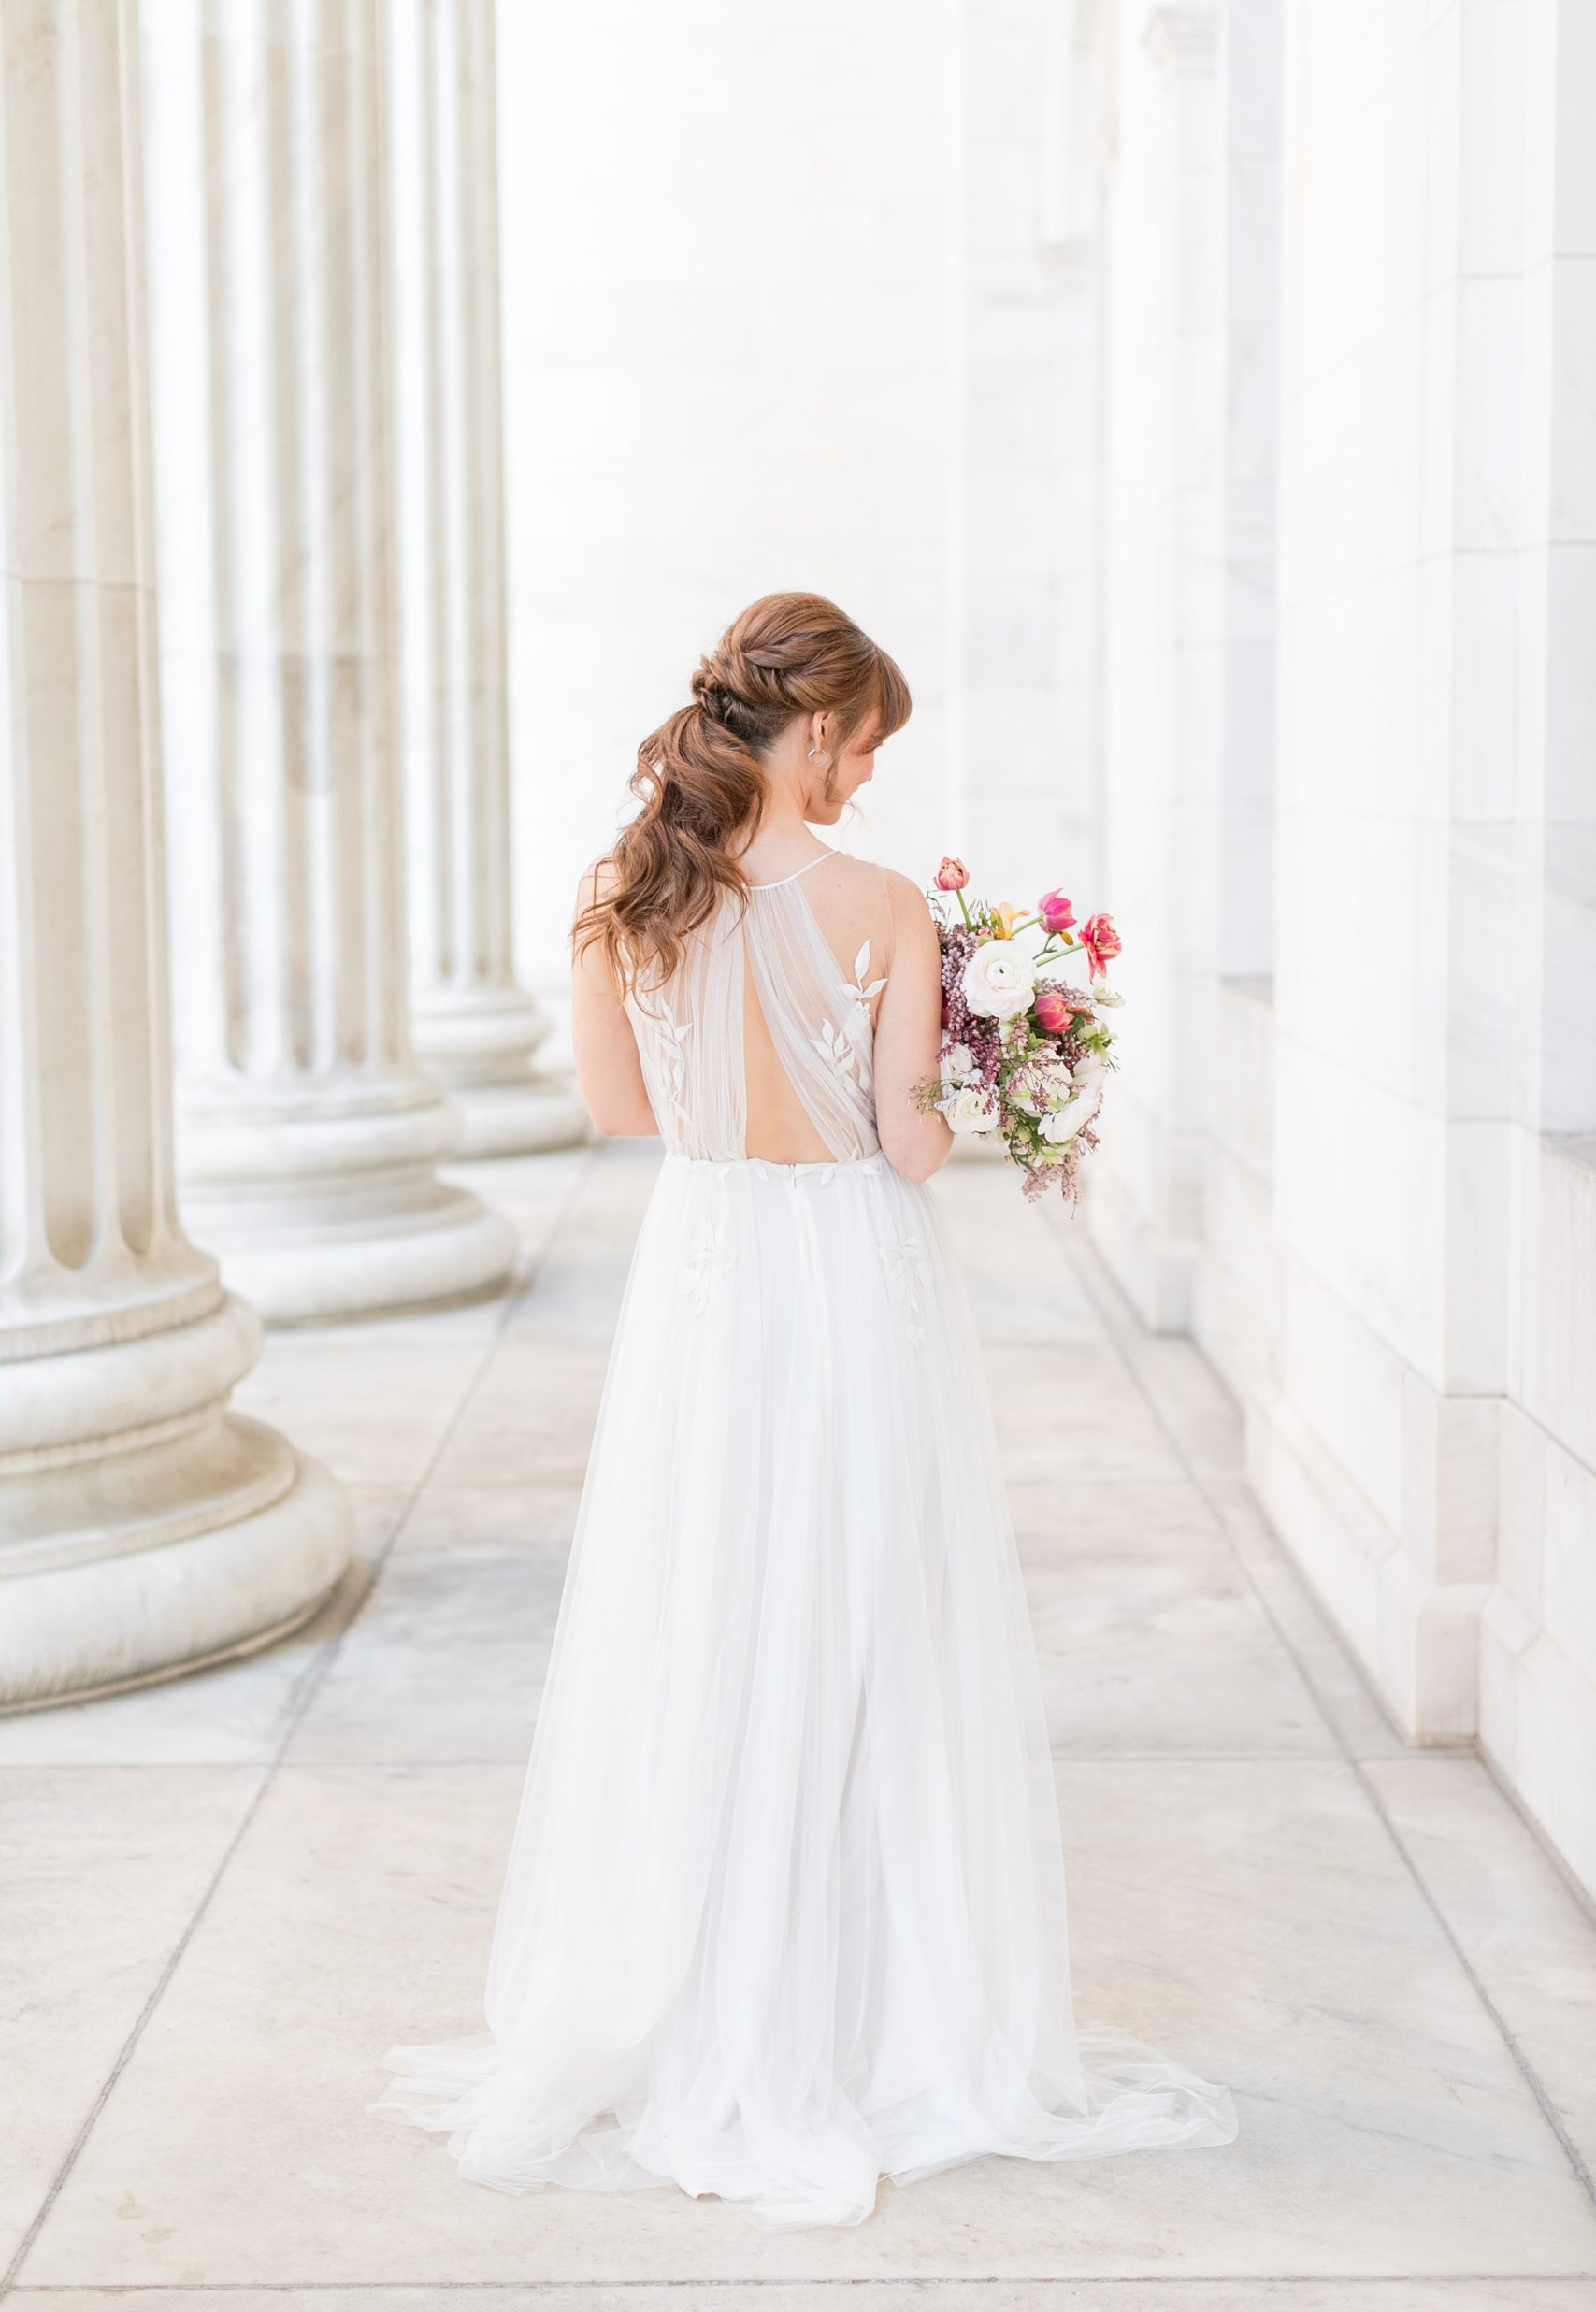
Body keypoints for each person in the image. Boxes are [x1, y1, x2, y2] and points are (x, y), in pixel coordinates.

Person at [371, 591, 1236, 2228]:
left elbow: (617, 1108)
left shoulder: (621, 892)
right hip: (851, 1276)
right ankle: (869, 2005)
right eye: (867, 748)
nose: (867, 781)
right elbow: (908, 1149)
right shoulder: (884, 906)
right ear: (819, 725)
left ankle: (697, 1988)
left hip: (705, 1276)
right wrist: (1004, 1075)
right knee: (862, 1616)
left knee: (705, 1608)